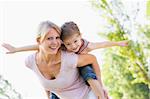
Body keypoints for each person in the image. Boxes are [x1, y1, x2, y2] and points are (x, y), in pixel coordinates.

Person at [2, 21, 128, 99]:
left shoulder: (80, 49)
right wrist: (16, 49)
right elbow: (38, 47)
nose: (73, 46)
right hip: (64, 87)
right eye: (49, 38)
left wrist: (100, 85)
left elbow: (102, 45)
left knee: (86, 70)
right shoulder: (55, 49)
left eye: (57, 38)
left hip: (85, 73)